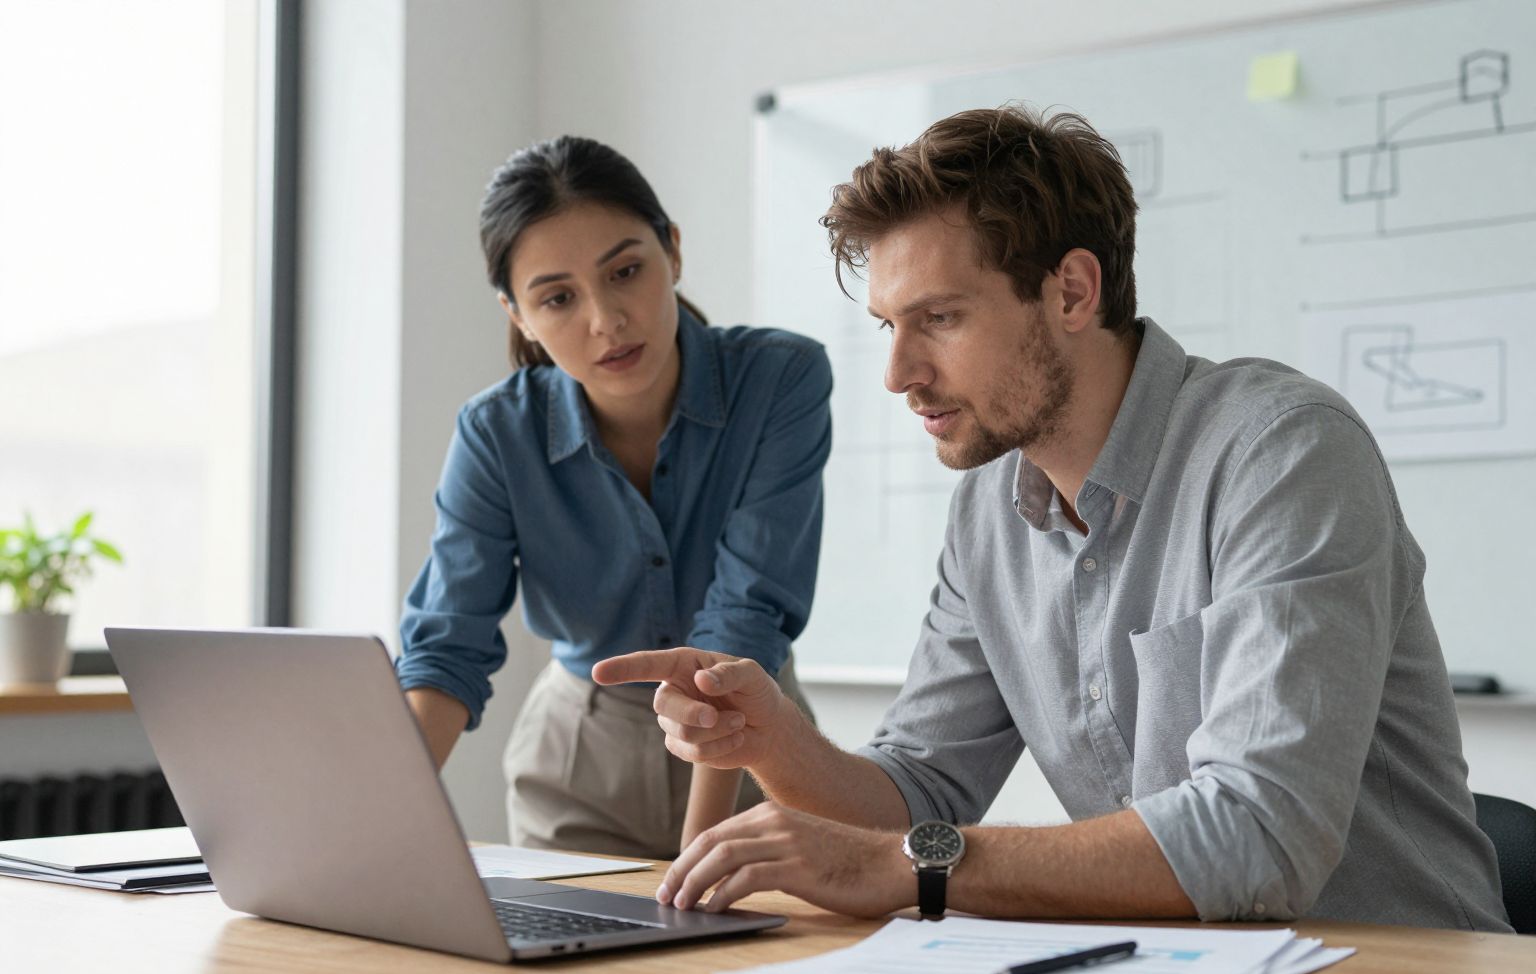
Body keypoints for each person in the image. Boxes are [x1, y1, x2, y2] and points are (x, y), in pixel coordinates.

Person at [594, 105, 1512, 931]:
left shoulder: (1282, 452)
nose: (898, 373)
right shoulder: (989, 512)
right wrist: (776, 743)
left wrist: (904, 868)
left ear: (1073, 291)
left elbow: (1258, 835)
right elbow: (920, 792)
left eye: (940, 318)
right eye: (888, 327)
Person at [397, 136, 829, 859]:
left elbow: (744, 618)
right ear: (518, 315)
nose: (606, 320)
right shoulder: (496, 433)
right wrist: (366, 837)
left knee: (759, 962)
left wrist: (700, 855)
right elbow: (448, 646)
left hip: (752, 742)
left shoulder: (781, 380)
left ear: (674, 252)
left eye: (626, 271)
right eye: (558, 297)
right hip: (578, 761)